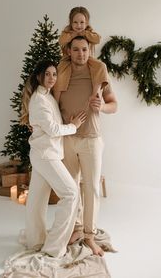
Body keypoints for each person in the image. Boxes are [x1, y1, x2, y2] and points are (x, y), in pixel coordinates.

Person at [55, 36, 117, 256]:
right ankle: (76, 228)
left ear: (89, 50)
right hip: (68, 138)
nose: (81, 54)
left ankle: (90, 236)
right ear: (69, 51)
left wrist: (102, 107)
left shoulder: (97, 72)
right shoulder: (61, 73)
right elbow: (52, 102)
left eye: (85, 49)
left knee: (90, 188)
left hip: (91, 138)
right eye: (76, 50)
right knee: (71, 188)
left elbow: (114, 104)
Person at [20, 60, 86, 258]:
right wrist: (74, 125)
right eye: (47, 74)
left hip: (44, 154)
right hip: (46, 156)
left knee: (37, 200)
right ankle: (55, 247)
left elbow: (49, 125)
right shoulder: (39, 100)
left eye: (54, 74)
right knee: (71, 193)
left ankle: (36, 241)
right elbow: (53, 129)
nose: (51, 78)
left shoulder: (46, 97)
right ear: (39, 76)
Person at [54, 6, 110, 102]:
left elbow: (97, 39)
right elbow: (61, 41)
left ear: (86, 23)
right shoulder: (68, 31)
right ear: (71, 23)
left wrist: (85, 33)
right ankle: (56, 101)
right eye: (75, 22)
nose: (78, 26)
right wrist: (72, 35)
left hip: (87, 59)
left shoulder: (88, 31)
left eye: (82, 22)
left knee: (101, 66)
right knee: (60, 73)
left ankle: (95, 94)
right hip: (68, 60)